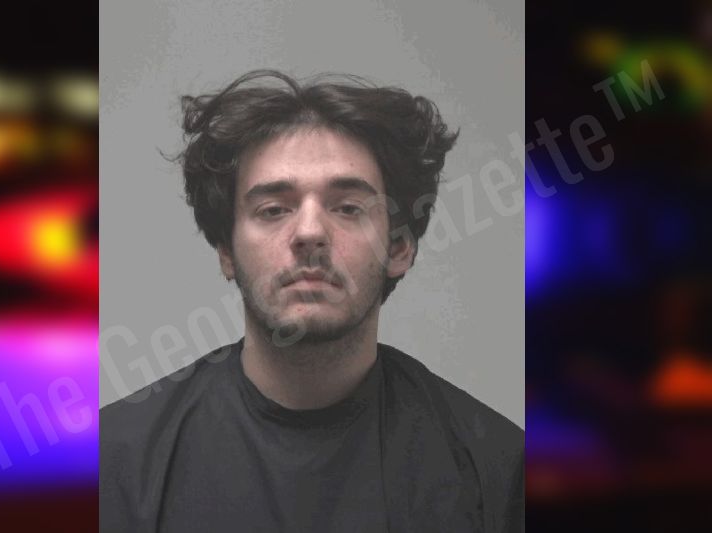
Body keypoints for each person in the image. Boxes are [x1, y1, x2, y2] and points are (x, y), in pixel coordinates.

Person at [100, 70, 523, 532]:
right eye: (273, 209)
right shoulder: (115, 465)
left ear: (399, 248)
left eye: (348, 207)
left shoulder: (495, 471)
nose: (309, 232)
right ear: (226, 251)